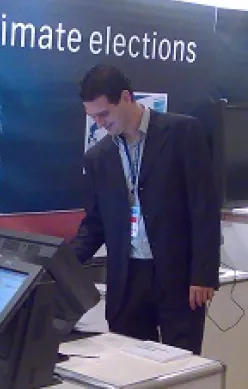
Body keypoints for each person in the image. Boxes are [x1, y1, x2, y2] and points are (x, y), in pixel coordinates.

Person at [70, 64, 221, 354]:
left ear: (125, 97)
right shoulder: (99, 157)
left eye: (104, 114)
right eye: (93, 117)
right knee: (130, 366)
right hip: (128, 280)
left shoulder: (182, 133)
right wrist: (60, 263)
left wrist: (203, 274)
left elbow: (204, 207)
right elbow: (95, 224)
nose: (99, 123)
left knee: (183, 365)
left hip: (177, 276)